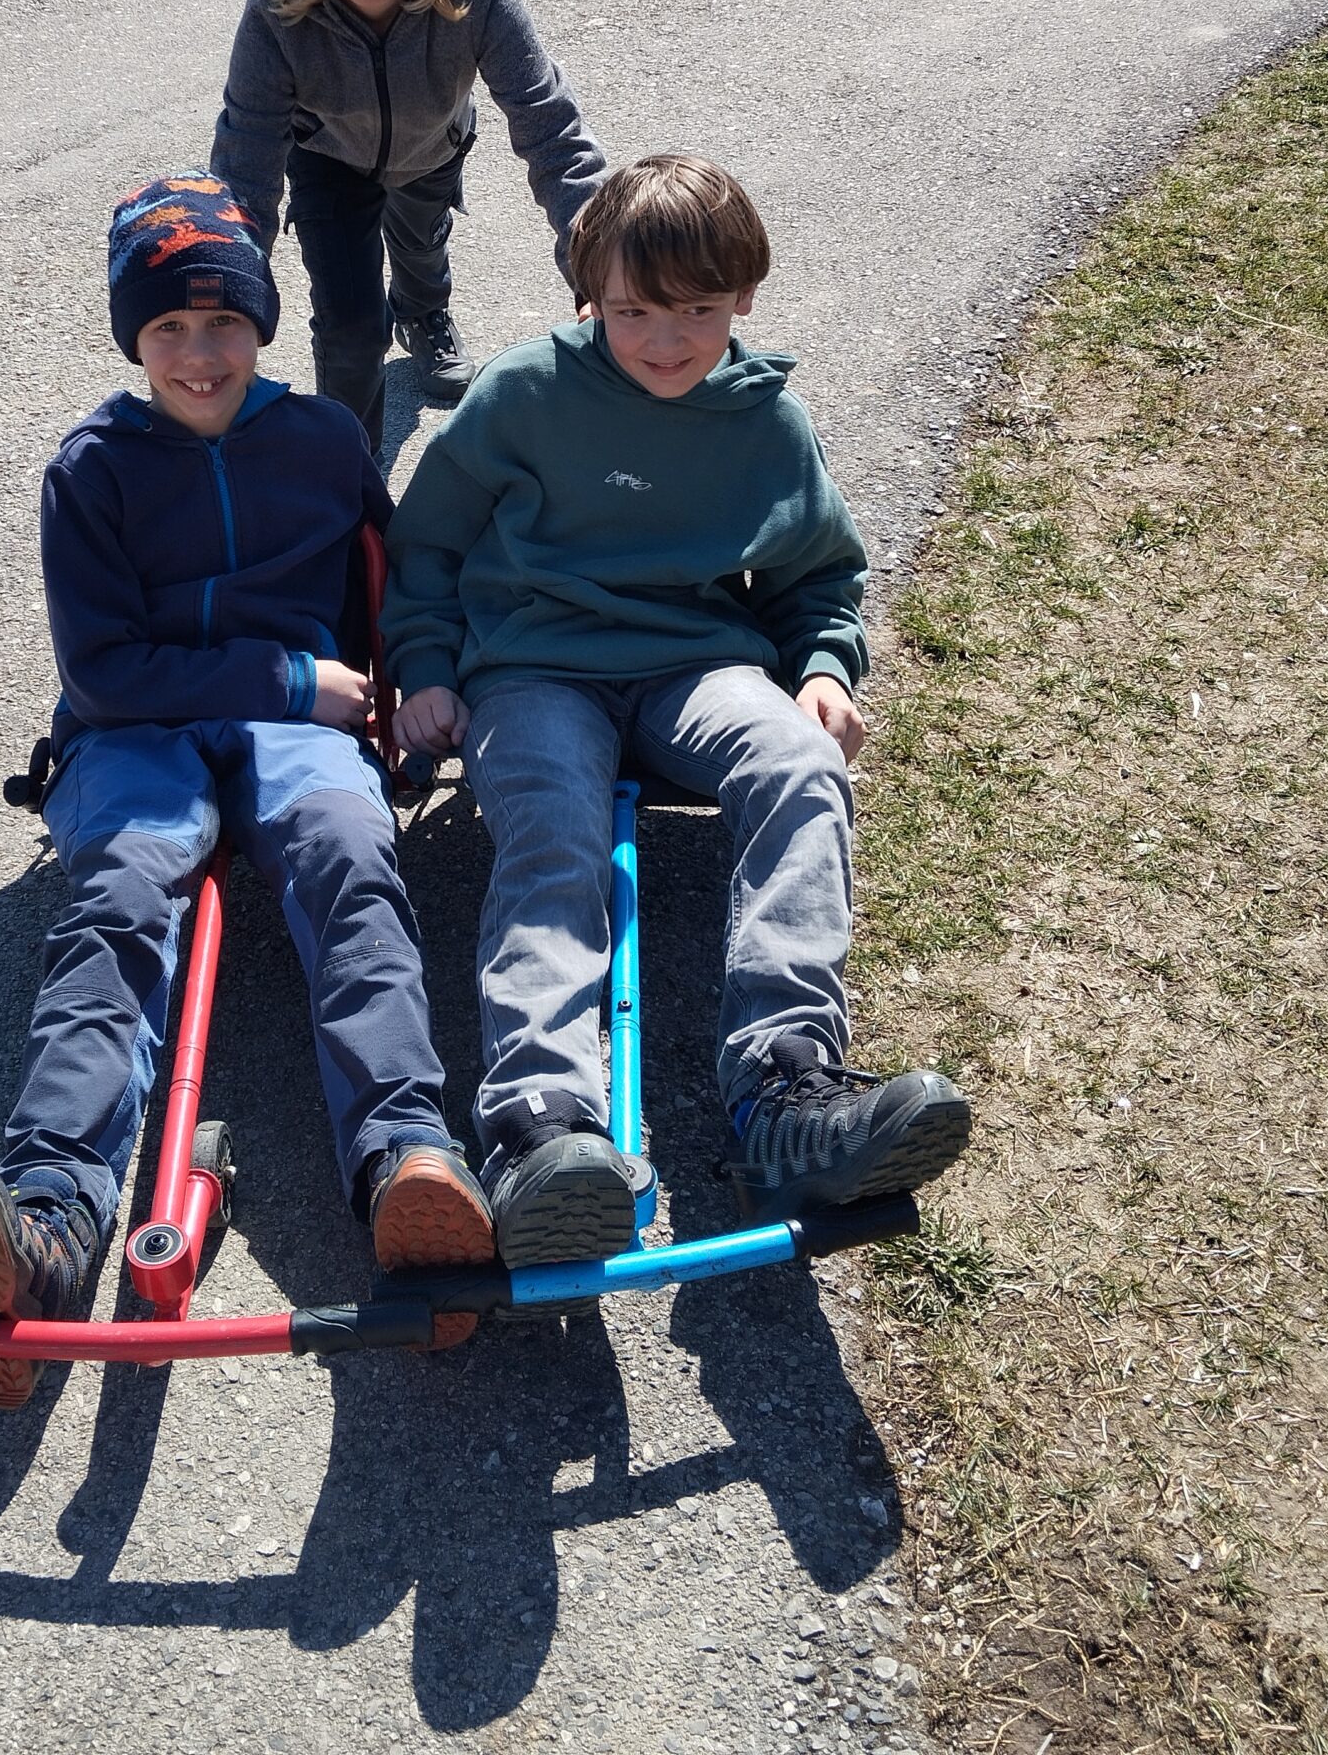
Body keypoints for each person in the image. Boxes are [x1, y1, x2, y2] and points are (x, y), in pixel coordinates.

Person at [0, 176, 493, 1406]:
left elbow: (386, 585)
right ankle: (49, 1216)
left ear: (261, 323)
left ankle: (405, 1159)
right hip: (138, 730)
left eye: (224, 321)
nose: (199, 353)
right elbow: (103, 672)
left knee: (348, 850)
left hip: (298, 730)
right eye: (167, 327)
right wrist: (291, 676)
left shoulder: (322, 439)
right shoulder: (92, 470)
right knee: (123, 888)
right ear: (134, 338)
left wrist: (408, 691)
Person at [380, 153, 971, 1266]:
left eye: (696, 310)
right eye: (633, 312)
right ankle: (541, 1126)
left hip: (697, 665)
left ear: (742, 296)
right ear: (588, 297)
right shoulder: (522, 395)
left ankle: (784, 1087)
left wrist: (823, 669)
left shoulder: (766, 424)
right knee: (551, 826)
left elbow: (816, 575)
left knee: (800, 765)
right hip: (534, 668)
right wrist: (426, 669)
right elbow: (427, 547)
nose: (664, 340)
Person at [210, 0, 607, 450]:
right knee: (350, 326)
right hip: (328, 160)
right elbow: (243, 166)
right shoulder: (277, 12)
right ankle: (349, 472)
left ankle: (423, 315)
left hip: (432, 148)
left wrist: (605, 269)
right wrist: (226, 293)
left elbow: (553, 133)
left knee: (421, 250)